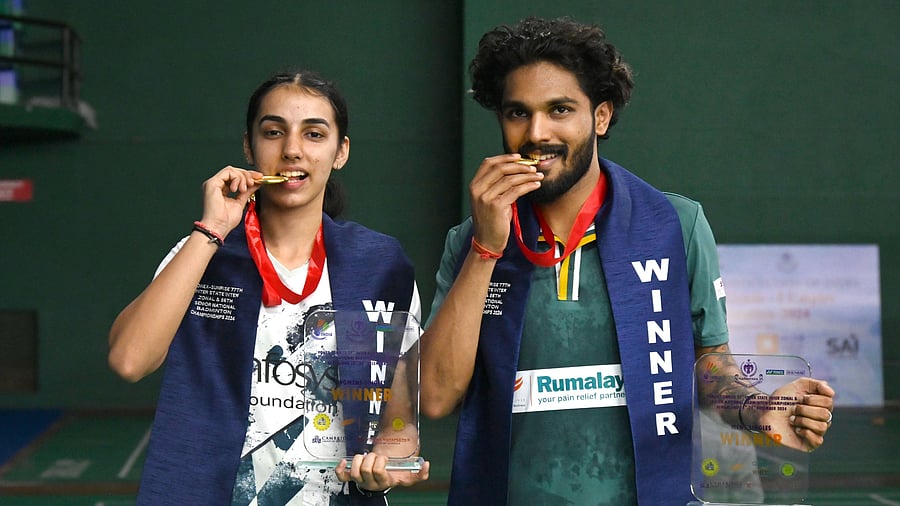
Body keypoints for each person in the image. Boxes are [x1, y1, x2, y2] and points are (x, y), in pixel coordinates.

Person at [419, 17, 835, 505]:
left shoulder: (676, 223)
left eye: (560, 109)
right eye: (518, 113)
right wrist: (487, 249)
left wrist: (756, 407)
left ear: (600, 117)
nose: (536, 133)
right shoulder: (469, 241)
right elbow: (436, 395)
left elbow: (709, 364)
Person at [109, 70, 429, 505]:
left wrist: (386, 465)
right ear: (249, 146)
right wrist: (212, 230)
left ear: (341, 152)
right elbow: (129, 360)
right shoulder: (205, 253)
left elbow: (398, 420)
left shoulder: (378, 265)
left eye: (314, 134)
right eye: (273, 132)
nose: (292, 150)